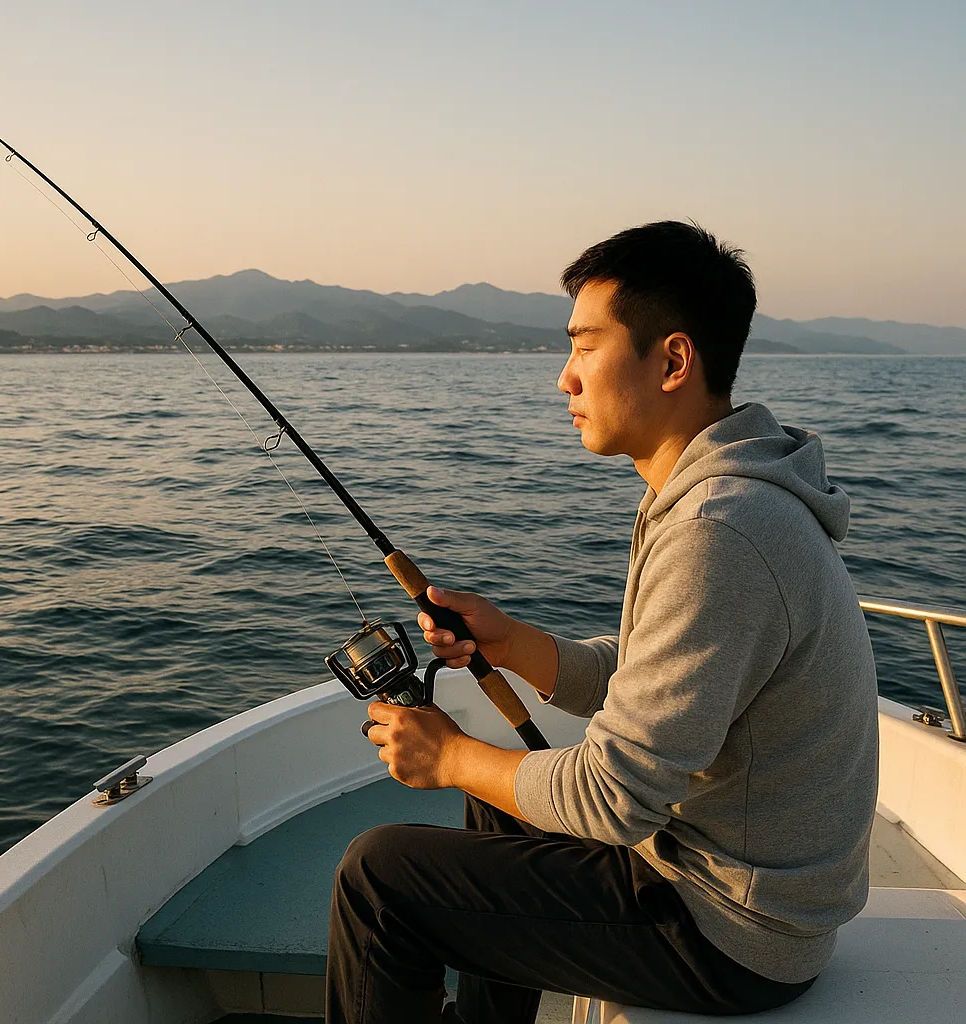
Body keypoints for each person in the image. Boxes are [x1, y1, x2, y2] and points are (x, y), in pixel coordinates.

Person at [325, 221, 879, 1024]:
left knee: (379, 878)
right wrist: (514, 644)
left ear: (673, 361)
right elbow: (659, 677)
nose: (565, 379)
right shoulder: (719, 496)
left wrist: (450, 756)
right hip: (726, 884)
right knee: (500, 808)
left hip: (733, 933)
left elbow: (616, 797)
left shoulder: (720, 529)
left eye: (585, 346)